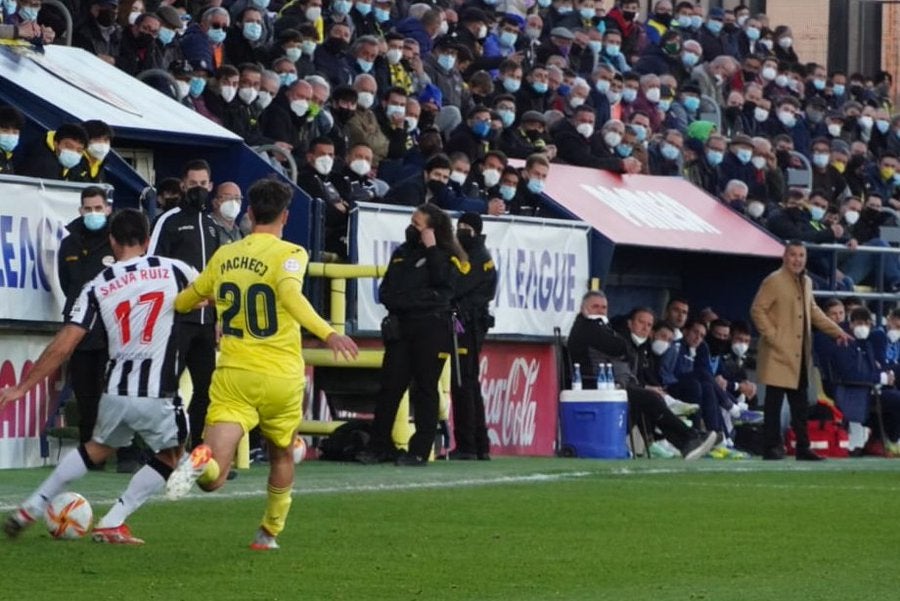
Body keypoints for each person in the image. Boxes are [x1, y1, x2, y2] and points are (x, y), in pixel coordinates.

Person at [165, 179, 358, 550]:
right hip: (280, 376)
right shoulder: (292, 253)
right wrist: (328, 332)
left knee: (214, 477)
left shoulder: (224, 255)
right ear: (285, 215)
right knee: (282, 452)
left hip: (235, 375)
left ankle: (199, 460)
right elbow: (288, 292)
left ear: (249, 214)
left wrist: (195, 302)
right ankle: (268, 532)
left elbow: (185, 300)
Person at [2, 209, 198, 544]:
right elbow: (207, 297)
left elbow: (65, 344)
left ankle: (33, 505)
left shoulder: (98, 284)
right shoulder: (175, 270)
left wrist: (22, 387)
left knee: (96, 448)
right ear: (148, 240)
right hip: (158, 391)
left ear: (111, 240)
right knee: (174, 456)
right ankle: (113, 520)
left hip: (116, 389)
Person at [357, 203, 465, 466]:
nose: (412, 228)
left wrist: (431, 249)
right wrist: (413, 300)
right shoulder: (402, 253)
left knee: (425, 389)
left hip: (431, 330)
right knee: (390, 387)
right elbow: (385, 292)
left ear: (432, 230)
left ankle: (419, 450)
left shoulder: (448, 258)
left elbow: (444, 288)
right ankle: (379, 446)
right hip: (401, 329)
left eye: (418, 225)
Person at [567, 291, 718, 460]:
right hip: (594, 384)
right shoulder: (589, 326)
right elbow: (619, 347)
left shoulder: (598, 327)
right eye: (595, 306)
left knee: (649, 399)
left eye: (604, 307)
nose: (601, 311)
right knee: (650, 399)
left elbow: (622, 350)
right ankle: (687, 439)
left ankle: (684, 441)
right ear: (583, 308)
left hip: (609, 384)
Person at [57, 186, 141, 473]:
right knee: (86, 396)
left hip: (115, 331)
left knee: (119, 393)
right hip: (81, 331)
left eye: (98, 208)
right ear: (81, 210)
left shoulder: (116, 242)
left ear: (108, 208)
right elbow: (66, 284)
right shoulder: (69, 244)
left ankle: (129, 454)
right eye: (87, 208)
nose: (93, 213)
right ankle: (91, 458)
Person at [750, 241, 852, 460]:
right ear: (784, 257)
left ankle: (803, 447)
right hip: (778, 352)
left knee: (800, 404)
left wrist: (837, 332)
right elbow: (758, 310)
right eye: (793, 255)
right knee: (773, 403)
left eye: (801, 255)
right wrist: (773, 336)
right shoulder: (774, 280)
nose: (797, 259)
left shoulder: (806, 282)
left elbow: (813, 311)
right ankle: (772, 447)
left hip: (799, 353)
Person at [148, 160, 221, 449]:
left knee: (207, 387)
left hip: (206, 323)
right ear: (183, 185)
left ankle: (195, 448)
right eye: (193, 184)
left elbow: (220, 274)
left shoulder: (215, 226)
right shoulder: (169, 220)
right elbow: (153, 265)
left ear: (211, 186)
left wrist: (218, 318)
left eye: (203, 184)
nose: (199, 189)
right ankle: (160, 448)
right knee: (166, 387)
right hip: (176, 320)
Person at [448, 212, 497, 460]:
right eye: (459, 226)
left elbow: (457, 287)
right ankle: (478, 445)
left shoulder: (477, 258)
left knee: (463, 383)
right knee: (468, 383)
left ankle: (469, 445)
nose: (461, 230)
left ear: (476, 230)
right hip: (469, 325)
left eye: (466, 227)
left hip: (467, 326)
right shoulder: (477, 254)